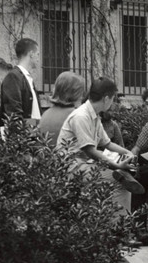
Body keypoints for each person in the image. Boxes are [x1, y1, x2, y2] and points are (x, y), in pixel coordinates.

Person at [57, 77, 136, 210]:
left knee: (126, 176)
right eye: (113, 99)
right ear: (106, 98)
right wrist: (116, 165)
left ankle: (119, 224)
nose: (112, 102)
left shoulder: (94, 115)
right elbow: (91, 151)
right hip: (71, 167)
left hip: (83, 165)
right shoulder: (81, 116)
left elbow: (107, 143)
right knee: (120, 181)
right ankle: (119, 226)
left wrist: (127, 153)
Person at [0, 38, 41, 136]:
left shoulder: (27, 77)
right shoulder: (13, 77)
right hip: (22, 139)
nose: (39, 58)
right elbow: (14, 114)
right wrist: (30, 133)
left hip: (31, 134)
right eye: (37, 54)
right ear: (31, 54)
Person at [39, 71, 85, 148]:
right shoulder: (75, 115)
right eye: (81, 93)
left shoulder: (46, 114)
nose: (82, 97)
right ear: (75, 93)